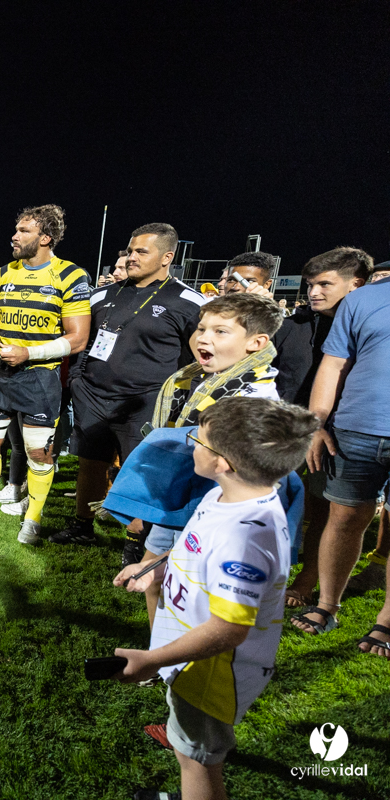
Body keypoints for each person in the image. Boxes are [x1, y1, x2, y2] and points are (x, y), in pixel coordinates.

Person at [112, 397, 318, 800]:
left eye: (199, 440)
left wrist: (152, 660)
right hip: (188, 658)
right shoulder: (226, 496)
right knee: (188, 748)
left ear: (223, 461)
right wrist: (154, 566)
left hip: (210, 675)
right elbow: (196, 544)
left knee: (197, 760)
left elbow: (228, 630)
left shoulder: (245, 538)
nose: (191, 445)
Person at [130, 293, 284, 627]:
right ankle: (162, 650)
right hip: (178, 500)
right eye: (202, 328)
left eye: (220, 332)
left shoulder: (256, 399)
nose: (204, 338)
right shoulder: (196, 380)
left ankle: (185, 658)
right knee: (152, 574)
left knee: (194, 589)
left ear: (257, 343)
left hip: (214, 511)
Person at [58, 224, 205, 555]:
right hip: (93, 396)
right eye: (129, 250)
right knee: (90, 462)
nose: (131, 257)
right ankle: (82, 525)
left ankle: (136, 541)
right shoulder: (103, 294)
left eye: (141, 251)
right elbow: (83, 341)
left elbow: (202, 357)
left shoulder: (188, 301)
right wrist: (78, 382)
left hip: (146, 401)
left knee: (140, 470)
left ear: (167, 257)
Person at [0, 205, 91, 544]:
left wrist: (30, 352)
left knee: (38, 453)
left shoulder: (71, 276)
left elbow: (78, 338)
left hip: (39, 379)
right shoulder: (4, 274)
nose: (14, 236)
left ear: (45, 238)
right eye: (16, 230)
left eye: (24, 231)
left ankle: (33, 517)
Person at [292, 268, 390, 647]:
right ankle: (327, 606)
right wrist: (316, 423)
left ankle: (386, 621)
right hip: (355, 430)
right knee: (344, 518)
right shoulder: (363, 299)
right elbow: (333, 364)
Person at [269, 248, 371, 607]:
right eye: (310, 284)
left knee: (325, 509)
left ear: (356, 284)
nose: (314, 292)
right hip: (281, 431)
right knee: (268, 505)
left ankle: (307, 580)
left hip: (340, 434)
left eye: (325, 284)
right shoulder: (292, 325)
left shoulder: (369, 327)